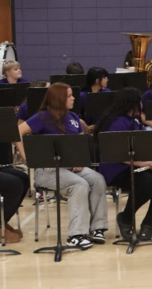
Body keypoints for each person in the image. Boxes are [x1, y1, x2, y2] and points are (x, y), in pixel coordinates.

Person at [17, 83, 109, 249]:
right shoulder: (41, 117)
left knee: (97, 179)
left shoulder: (74, 117)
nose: (73, 98)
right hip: (47, 170)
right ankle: (75, 235)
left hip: (70, 168)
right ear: (59, 99)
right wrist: (26, 156)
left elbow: (80, 143)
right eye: (69, 96)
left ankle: (97, 228)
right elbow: (17, 133)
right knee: (79, 185)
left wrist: (80, 160)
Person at [94, 87, 152, 242]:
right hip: (117, 168)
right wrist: (144, 163)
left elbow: (143, 143)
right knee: (146, 181)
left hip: (136, 165)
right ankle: (125, 217)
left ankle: (148, 222)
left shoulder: (135, 120)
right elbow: (118, 154)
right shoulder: (116, 123)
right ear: (133, 104)